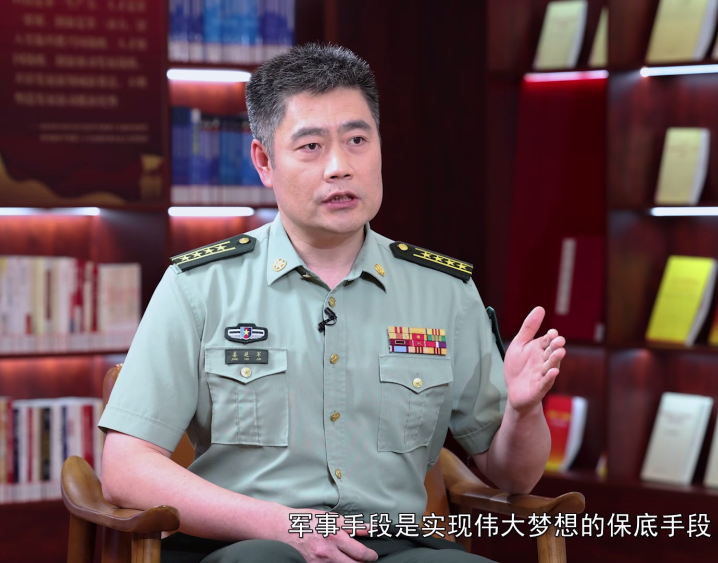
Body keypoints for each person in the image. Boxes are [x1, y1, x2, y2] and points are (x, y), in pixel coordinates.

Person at [98, 43, 567, 563]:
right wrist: (281, 525)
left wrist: (523, 411)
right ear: (264, 162)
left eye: (357, 140)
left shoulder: (445, 291)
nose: (340, 167)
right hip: (248, 543)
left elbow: (513, 476)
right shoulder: (199, 285)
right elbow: (124, 466)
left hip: (390, 546)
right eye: (311, 146)